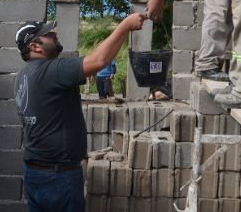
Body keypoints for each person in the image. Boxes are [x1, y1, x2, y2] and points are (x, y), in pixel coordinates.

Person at [14, 14, 146, 211]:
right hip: (58, 176)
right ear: (35, 46)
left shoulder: (22, 75)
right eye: (48, 34)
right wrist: (125, 26)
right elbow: (99, 60)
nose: (54, 34)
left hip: (35, 171)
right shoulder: (52, 71)